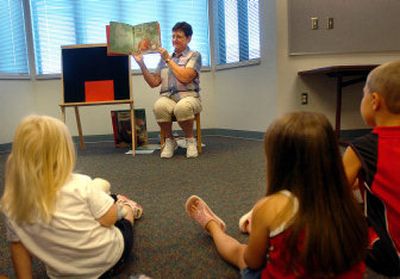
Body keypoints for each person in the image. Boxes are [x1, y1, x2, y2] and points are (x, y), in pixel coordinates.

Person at [186, 111, 368, 278]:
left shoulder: (269, 206)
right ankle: (268, 231)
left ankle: (213, 227)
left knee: (241, 254)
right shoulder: (350, 205)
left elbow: (253, 261)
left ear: (277, 161)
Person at [0, 115, 143, 278]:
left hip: (62, 275)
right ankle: (127, 206)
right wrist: (119, 210)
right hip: (108, 262)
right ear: (64, 153)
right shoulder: (81, 184)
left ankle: (110, 200)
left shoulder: (11, 204)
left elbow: (18, 247)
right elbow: (109, 220)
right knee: (124, 217)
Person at [342, 60, 400, 277]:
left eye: (363, 95)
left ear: (374, 101)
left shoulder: (361, 148)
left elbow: (330, 195)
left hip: (391, 257)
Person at [133, 21, 202, 159]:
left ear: (188, 38)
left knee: (182, 107)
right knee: (159, 106)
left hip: (190, 97)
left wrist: (168, 59)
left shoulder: (194, 55)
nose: (174, 40)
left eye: (179, 37)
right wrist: (141, 64)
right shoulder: (164, 59)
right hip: (168, 97)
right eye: (173, 36)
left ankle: (190, 140)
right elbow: (154, 82)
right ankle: (170, 140)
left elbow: (185, 77)